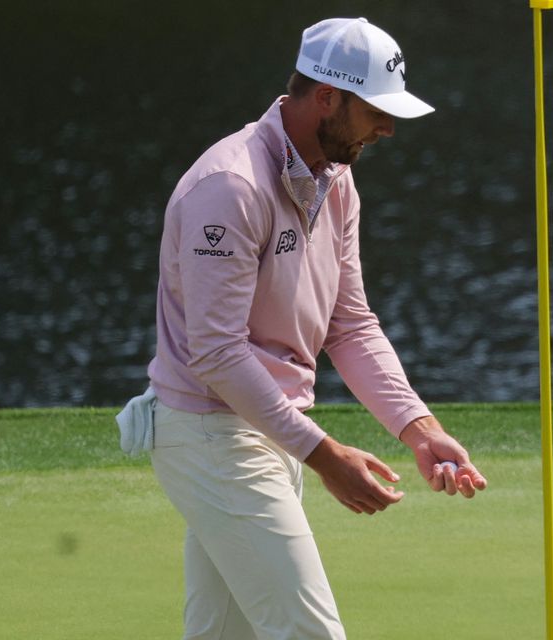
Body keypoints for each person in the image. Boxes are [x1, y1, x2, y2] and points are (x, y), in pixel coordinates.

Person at [128, 16, 488, 640]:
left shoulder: (336, 181)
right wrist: (325, 455)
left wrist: (419, 429)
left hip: (268, 429)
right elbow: (215, 353)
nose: (387, 127)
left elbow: (348, 324)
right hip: (212, 437)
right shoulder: (231, 187)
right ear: (327, 97)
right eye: (375, 109)